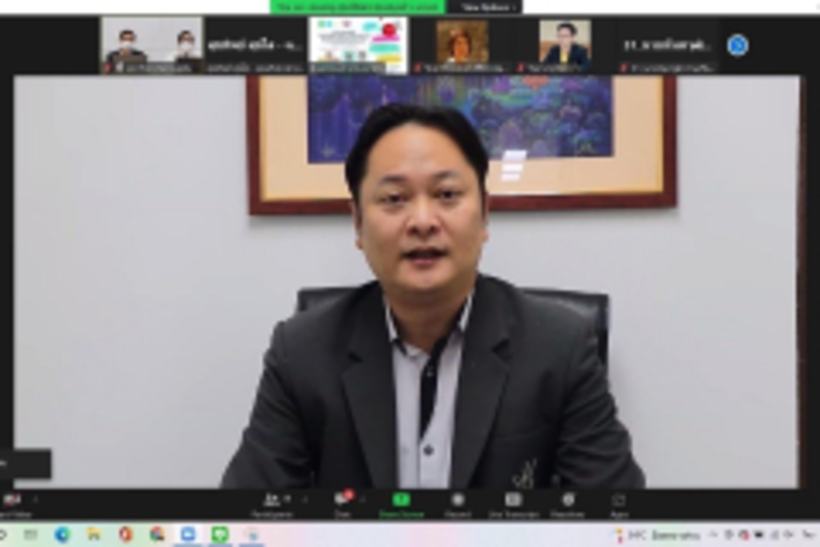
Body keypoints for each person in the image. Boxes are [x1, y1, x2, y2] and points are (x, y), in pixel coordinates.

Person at [220, 104, 645, 490]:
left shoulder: (560, 347)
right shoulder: (301, 353)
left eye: (446, 195)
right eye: (394, 199)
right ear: (357, 224)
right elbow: (251, 518)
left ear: (485, 214)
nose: (423, 221)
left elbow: (616, 517)